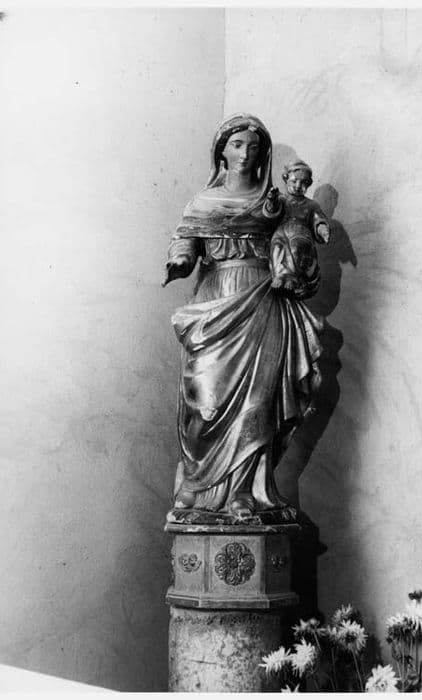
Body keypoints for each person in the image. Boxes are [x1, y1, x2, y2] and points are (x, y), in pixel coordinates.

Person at [163, 114, 325, 521]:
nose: (245, 153)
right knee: (205, 398)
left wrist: (296, 261)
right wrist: (181, 258)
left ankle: (244, 492)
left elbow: (294, 239)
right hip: (215, 299)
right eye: (236, 144)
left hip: (262, 299)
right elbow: (186, 241)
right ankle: (197, 486)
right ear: (221, 151)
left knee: (257, 401)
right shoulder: (202, 203)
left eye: (253, 146)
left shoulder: (274, 203)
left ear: (262, 154)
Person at [270, 160, 330, 298]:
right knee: (277, 248)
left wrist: (322, 229)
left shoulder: (311, 205)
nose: (298, 186)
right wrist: (271, 200)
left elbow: (318, 220)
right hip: (281, 233)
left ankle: (291, 278)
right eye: (294, 181)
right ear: (286, 179)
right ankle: (279, 275)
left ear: (308, 184)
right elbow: (271, 213)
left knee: (296, 248)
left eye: (303, 183)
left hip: (301, 235)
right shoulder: (281, 200)